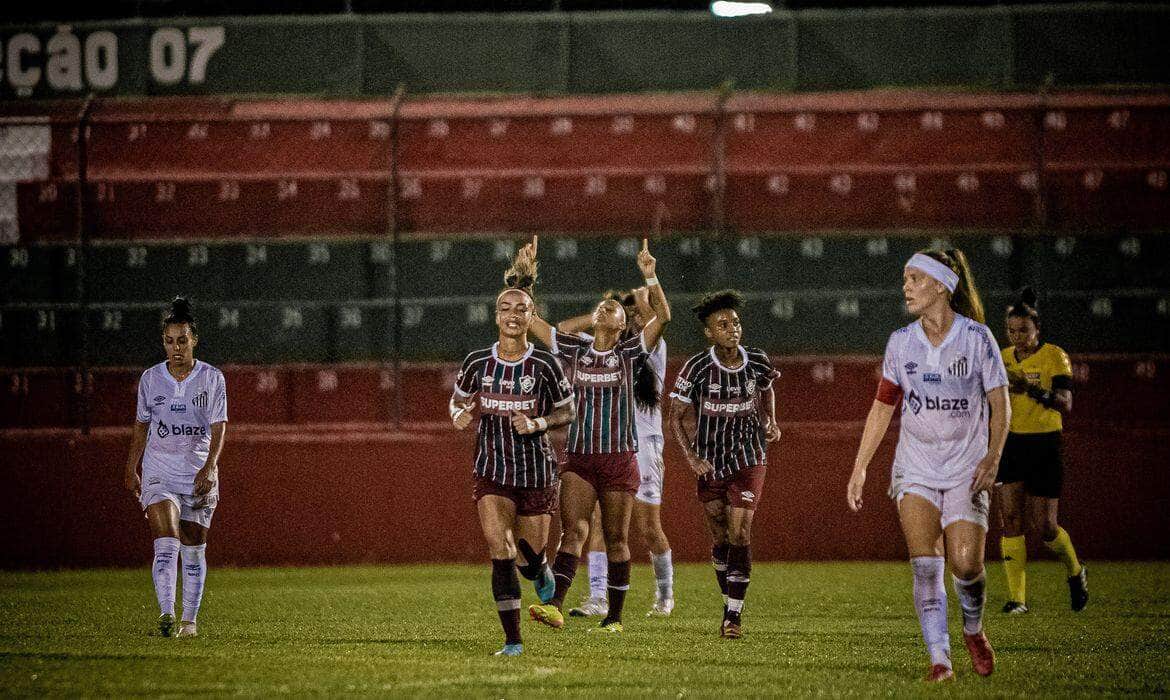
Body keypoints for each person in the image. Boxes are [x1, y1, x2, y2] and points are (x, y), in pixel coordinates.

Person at [846, 249, 1010, 682]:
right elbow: (883, 406)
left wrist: (993, 457)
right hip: (916, 466)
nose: (906, 286)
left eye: (915, 278)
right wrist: (860, 466)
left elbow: (999, 401)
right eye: (905, 278)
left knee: (967, 565)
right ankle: (941, 660)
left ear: (941, 285)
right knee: (925, 563)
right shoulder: (901, 342)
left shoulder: (977, 338)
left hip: (966, 467)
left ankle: (973, 628)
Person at [521, 235, 671, 633]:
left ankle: (615, 618)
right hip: (580, 456)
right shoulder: (575, 348)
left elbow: (663, 319)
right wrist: (523, 281)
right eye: (601, 307)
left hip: (620, 458)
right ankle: (554, 605)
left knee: (617, 538)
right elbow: (534, 324)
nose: (605, 310)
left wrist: (651, 277)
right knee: (574, 530)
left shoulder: (630, 352)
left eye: (612, 309)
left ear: (623, 325)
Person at [448, 266, 576, 657]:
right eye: (506, 308)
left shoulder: (545, 365)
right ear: (497, 316)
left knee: (527, 559)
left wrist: (538, 421)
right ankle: (513, 640)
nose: (513, 314)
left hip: (536, 471)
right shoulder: (476, 363)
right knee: (499, 546)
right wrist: (458, 415)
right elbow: (457, 401)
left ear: (530, 316)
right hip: (491, 470)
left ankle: (539, 569)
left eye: (521, 308)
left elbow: (567, 411)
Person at [667, 290, 781, 639]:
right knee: (719, 536)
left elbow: (766, 389)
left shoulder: (757, 360)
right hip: (711, 461)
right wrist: (692, 457)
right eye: (723, 324)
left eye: (735, 322)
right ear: (709, 332)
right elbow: (676, 416)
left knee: (740, 531)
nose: (733, 329)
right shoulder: (697, 367)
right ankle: (729, 598)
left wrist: (771, 421)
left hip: (749, 457)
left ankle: (733, 616)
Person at [561, 288, 676, 618]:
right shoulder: (599, 349)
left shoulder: (647, 348)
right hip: (608, 447)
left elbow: (657, 320)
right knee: (599, 524)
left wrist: (642, 297)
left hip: (646, 443)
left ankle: (665, 594)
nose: (632, 319)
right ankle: (598, 597)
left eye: (635, 314)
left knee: (649, 528)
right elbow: (565, 330)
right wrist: (597, 316)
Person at [123, 297, 227, 638]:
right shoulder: (150, 379)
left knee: (194, 546)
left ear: (193, 340)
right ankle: (166, 613)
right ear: (164, 343)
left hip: (196, 470)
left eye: (182, 340)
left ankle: (189, 621)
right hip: (159, 468)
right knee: (165, 539)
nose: (176, 348)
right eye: (170, 341)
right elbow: (142, 425)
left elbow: (218, 426)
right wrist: (132, 465)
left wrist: (210, 468)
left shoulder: (212, 379)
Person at [997, 287, 1086, 614]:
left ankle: (1075, 570)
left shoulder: (1054, 356)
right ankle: (1017, 599)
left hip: (1045, 443)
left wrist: (1030, 388)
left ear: (1037, 331)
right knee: (1010, 518)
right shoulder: (1002, 358)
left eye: (1024, 330)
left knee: (1045, 527)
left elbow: (1065, 403)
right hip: (1012, 443)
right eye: (1011, 330)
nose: (1017, 336)